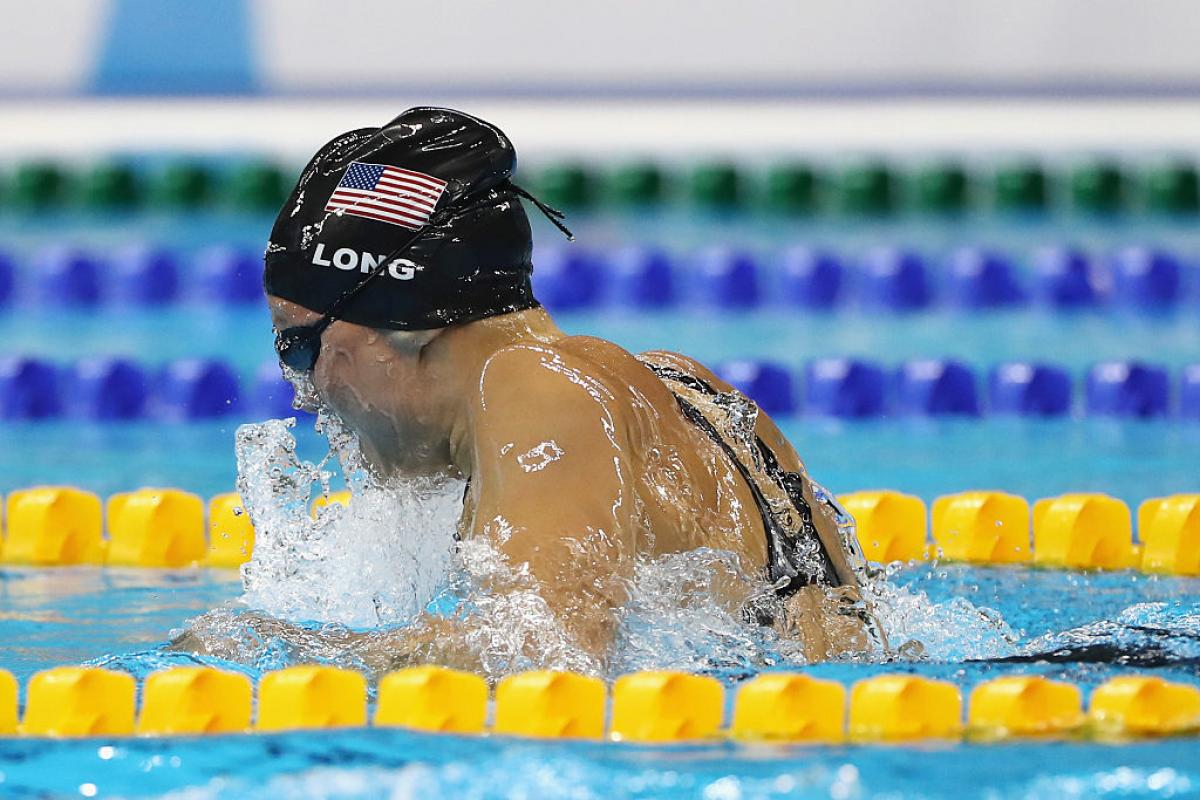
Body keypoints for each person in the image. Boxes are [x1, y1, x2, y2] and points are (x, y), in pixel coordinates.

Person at [186, 107, 882, 672]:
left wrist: (271, 654)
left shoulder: (538, 387)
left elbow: (543, 657)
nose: (304, 394)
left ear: (403, 324)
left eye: (300, 345)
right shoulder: (684, 388)